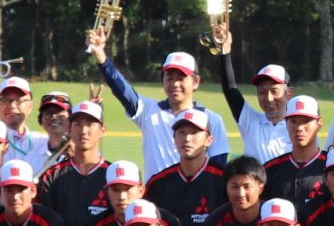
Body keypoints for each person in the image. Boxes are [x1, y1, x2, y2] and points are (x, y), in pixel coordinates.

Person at [87, 36, 232, 179]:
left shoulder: (212, 119)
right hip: (155, 198)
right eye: (169, 77)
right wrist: (101, 57)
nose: (175, 84)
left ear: (196, 82)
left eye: (181, 77)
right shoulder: (148, 111)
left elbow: (218, 170)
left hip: (197, 198)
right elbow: (121, 88)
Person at [36, 99, 113, 226]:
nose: (83, 131)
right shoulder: (52, 175)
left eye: (90, 124)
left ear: (102, 130)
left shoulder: (113, 175)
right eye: (77, 124)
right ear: (69, 129)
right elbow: (45, 225)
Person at [143, 108, 231, 226]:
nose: (187, 138)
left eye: (194, 132)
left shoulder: (225, 180)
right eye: (181, 132)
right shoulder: (158, 183)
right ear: (174, 138)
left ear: (208, 140)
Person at [208, 24, 291, 164]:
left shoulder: (298, 128)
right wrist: (225, 51)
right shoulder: (251, 122)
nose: (269, 98)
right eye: (262, 92)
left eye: (274, 91)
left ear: (289, 93)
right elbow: (230, 89)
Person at [263, 95, 330, 208]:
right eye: (293, 121)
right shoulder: (270, 170)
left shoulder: (331, 166)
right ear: (286, 123)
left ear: (319, 123)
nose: (299, 128)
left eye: (306, 121)